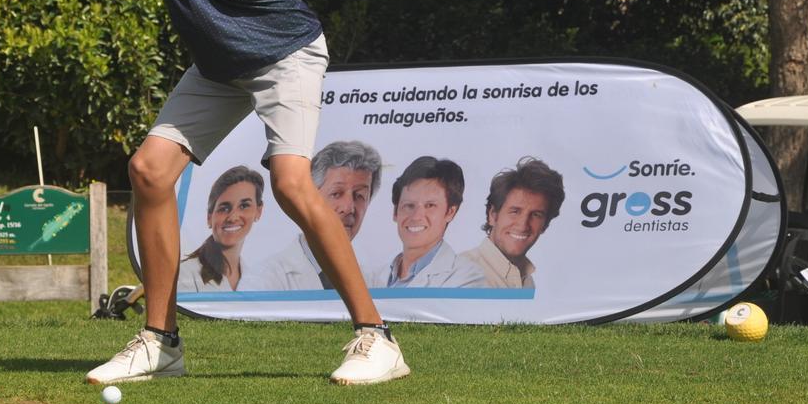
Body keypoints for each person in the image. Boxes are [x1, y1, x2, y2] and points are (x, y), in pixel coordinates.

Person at [85, 0, 408, 386]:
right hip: (221, 61)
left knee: (289, 183)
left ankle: (377, 337)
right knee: (150, 170)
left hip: (283, 49)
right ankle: (161, 342)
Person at [240, 141, 383, 290]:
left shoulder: (373, 285)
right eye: (336, 193)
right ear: (310, 197)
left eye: (360, 195)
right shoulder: (263, 282)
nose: (348, 208)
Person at [368, 156, 486, 288]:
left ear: (450, 212)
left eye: (430, 205)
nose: (417, 217)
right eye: (409, 205)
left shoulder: (467, 278)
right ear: (396, 212)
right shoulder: (371, 279)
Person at [461, 157, 565, 288]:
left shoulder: (527, 280)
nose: (523, 225)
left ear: (545, 225)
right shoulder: (461, 274)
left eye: (536, 215)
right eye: (515, 211)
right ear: (492, 215)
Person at [178, 166, 264, 292]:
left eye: (244, 206)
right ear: (209, 217)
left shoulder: (258, 279)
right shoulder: (184, 275)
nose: (233, 217)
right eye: (224, 208)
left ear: (258, 211)